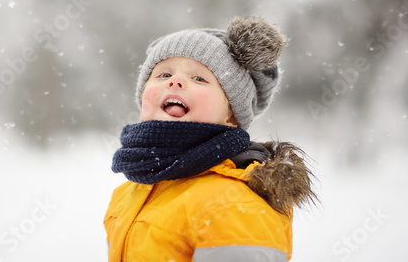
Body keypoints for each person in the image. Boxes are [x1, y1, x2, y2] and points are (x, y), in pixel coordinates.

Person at [104, 16, 317, 261]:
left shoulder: (234, 206)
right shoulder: (130, 193)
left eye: (199, 79)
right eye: (163, 74)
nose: (176, 81)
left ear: (231, 116)